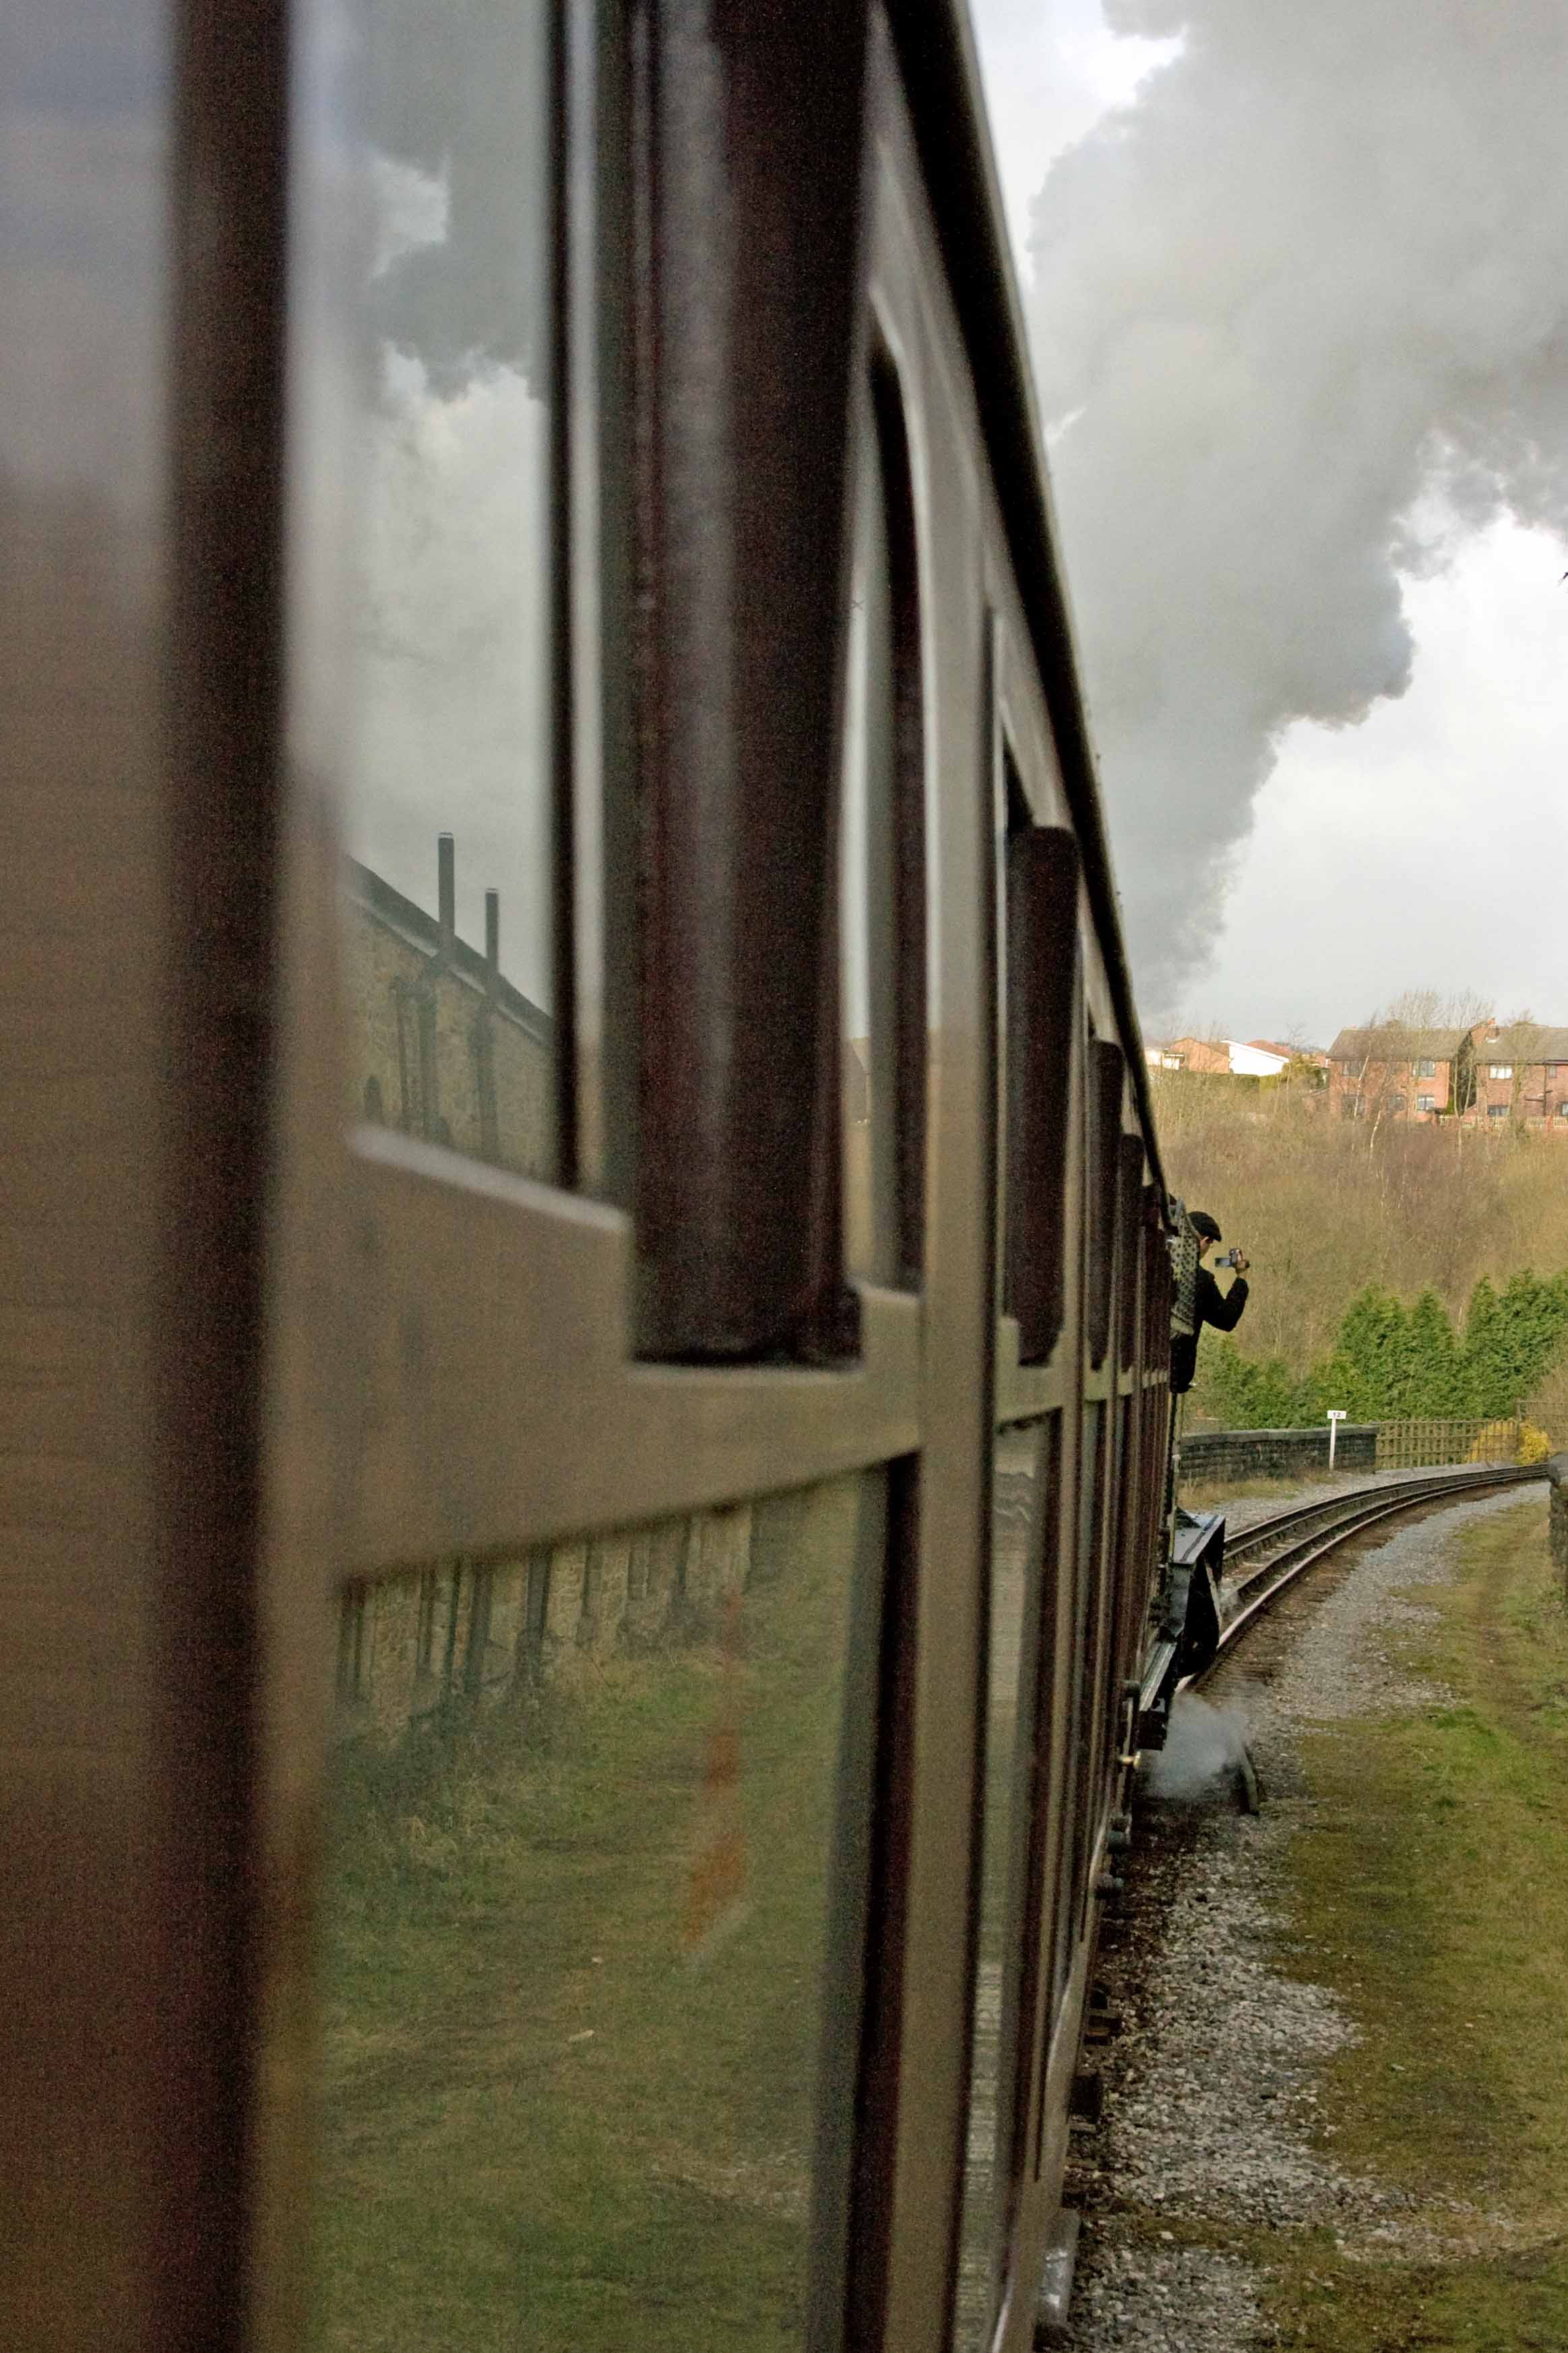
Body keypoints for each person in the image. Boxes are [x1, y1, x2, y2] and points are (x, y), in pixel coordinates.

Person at [1168, 1211, 1249, 1394]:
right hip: (1176, 1373)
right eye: (1210, 1244)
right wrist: (1241, 1278)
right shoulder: (1200, 1281)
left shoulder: (1161, 1262)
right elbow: (1227, 1319)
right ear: (1204, 1241)